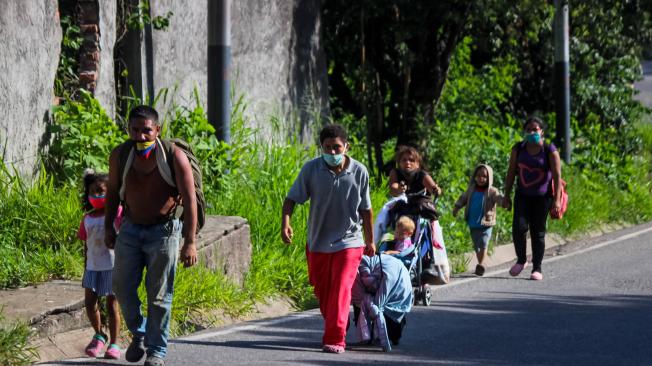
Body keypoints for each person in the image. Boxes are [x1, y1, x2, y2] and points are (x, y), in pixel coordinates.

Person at [105, 105, 198, 366]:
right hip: (130, 229)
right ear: (128, 130)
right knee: (121, 286)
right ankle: (140, 331)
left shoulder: (174, 157)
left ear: (157, 130)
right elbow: (113, 192)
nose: (141, 136)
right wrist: (108, 227)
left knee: (159, 295)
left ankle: (156, 351)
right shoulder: (121, 155)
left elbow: (190, 200)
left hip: (164, 231)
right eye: (135, 130)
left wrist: (190, 242)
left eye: (147, 130)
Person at [281, 124, 375, 354]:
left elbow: (366, 209)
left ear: (346, 147)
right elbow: (291, 199)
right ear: (321, 148)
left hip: (350, 241)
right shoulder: (311, 169)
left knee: (342, 289)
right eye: (327, 148)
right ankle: (334, 321)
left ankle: (335, 337)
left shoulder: (360, 171)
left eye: (337, 147)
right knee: (323, 292)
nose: (332, 153)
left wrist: (370, 240)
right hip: (318, 242)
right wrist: (286, 223)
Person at [503, 116, 563, 281]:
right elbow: (510, 173)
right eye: (528, 129)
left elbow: (557, 177)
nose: (531, 132)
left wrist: (557, 201)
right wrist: (506, 195)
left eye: (535, 129)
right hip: (522, 195)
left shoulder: (549, 150)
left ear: (542, 131)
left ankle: (537, 267)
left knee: (538, 233)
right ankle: (522, 260)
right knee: (518, 228)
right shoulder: (518, 149)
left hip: (542, 198)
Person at [79, 170, 122, 359]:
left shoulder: (117, 215)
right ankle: (99, 334)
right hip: (92, 269)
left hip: (112, 268)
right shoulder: (86, 219)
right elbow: (86, 247)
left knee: (112, 307)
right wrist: (85, 268)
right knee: (90, 304)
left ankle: (114, 343)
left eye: (101, 191)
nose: (97, 196)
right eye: (93, 192)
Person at [452, 164, 505, 276]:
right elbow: (463, 198)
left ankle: (481, 264)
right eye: (479, 176)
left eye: (484, 176)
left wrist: (504, 202)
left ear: (489, 178)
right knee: (477, 245)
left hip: (486, 222)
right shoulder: (471, 189)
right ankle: (482, 263)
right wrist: (457, 207)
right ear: (475, 177)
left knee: (484, 243)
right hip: (473, 222)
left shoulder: (491, 191)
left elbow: (498, 198)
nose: (481, 178)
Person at [388, 145, 442, 221]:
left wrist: (436, 190)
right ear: (399, 163)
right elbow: (393, 188)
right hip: (402, 211)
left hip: (422, 212)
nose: (407, 162)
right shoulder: (395, 172)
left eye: (411, 160)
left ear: (418, 164)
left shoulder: (422, 175)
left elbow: (434, 188)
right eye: (404, 160)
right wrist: (399, 189)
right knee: (384, 216)